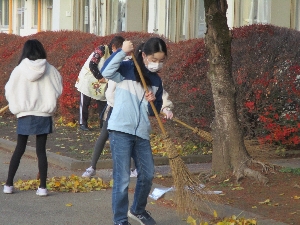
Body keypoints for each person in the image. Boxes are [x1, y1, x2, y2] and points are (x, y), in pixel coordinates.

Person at [101, 37, 168, 225]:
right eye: (154, 60)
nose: (157, 64)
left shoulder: (156, 80)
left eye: (161, 60)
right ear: (144, 55)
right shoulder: (126, 69)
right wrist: (121, 52)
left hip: (141, 133)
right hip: (120, 129)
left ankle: (137, 210)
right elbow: (105, 71)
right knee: (122, 180)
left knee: (147, 175)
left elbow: (152, 111)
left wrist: (153, 101)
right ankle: (120, 220)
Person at [3, 39, 63, 196]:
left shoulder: (19, 70)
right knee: (41, 151)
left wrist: (17, 104)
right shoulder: (50, 69)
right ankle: (42, 187)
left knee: (19, 148)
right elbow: (59, 88)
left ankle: (8, 184)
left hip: (24, 113)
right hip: (43, 113)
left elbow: (9, 90)